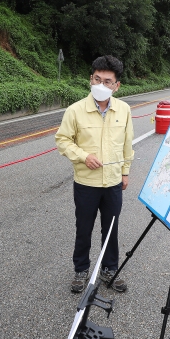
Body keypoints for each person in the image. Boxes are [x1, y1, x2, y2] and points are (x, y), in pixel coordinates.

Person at [55, 55, 134, 293]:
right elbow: (62, 140)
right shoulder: (75, 110)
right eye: (97, 79)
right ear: (91, 79)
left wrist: (125, 172)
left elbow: (127, 145)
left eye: (108, 81)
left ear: (117, 85)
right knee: (84, 228)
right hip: (86, 183)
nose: (101, 85)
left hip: (112, 182)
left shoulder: (124, 110)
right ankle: (81, 270)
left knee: (111, 229)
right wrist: (83, 156)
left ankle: (109, 270)